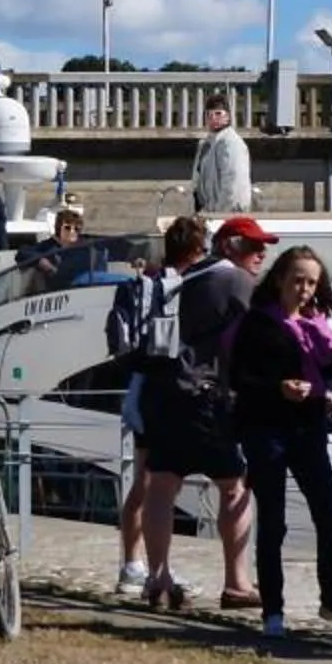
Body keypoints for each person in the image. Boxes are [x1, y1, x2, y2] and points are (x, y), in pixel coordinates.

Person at [138, 215, 276, 616]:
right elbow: (267, 333)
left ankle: (158, 579)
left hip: (163, 393)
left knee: (162, 487)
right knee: (234, 488)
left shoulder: (181, 277)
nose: (261, 254)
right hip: (207, 398)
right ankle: (237, 583)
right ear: (230, 244)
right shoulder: (234, 280)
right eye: (253, 246)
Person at [229, 244, 332, 637]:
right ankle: (273, 610)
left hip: (307, 428)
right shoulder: (258, 323)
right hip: (266, 428)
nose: (304, 289)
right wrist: (279, 387)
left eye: (311, 283)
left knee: (330, 514)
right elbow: (240, 378)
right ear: (281, 280)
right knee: (274, 521)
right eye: (298, 280)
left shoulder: (316, 324)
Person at [116, 216, 209, 607]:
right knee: (158, 485)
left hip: (141, 384)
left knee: (143, 481)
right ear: (195, 250)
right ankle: (151, 567)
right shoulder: (183, 286)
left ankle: (133, 563)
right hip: (164, 391)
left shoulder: (149, 281)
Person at [190, 95, 253, 214]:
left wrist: (221, 215)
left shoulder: (231, 143)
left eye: (218, 113)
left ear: (228, 116)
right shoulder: (206, 144)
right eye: (209, 115)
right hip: (208, 213)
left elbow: (234, 183)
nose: (213, 118)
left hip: (228, 215)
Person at [13, 202, 90, 286]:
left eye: (76, 229)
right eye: (67, 228)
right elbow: (22, 253)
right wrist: (41, 261)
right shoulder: (47, 246)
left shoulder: (84, 248)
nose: (72, 231)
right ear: (58, 228)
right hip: (53, 291)